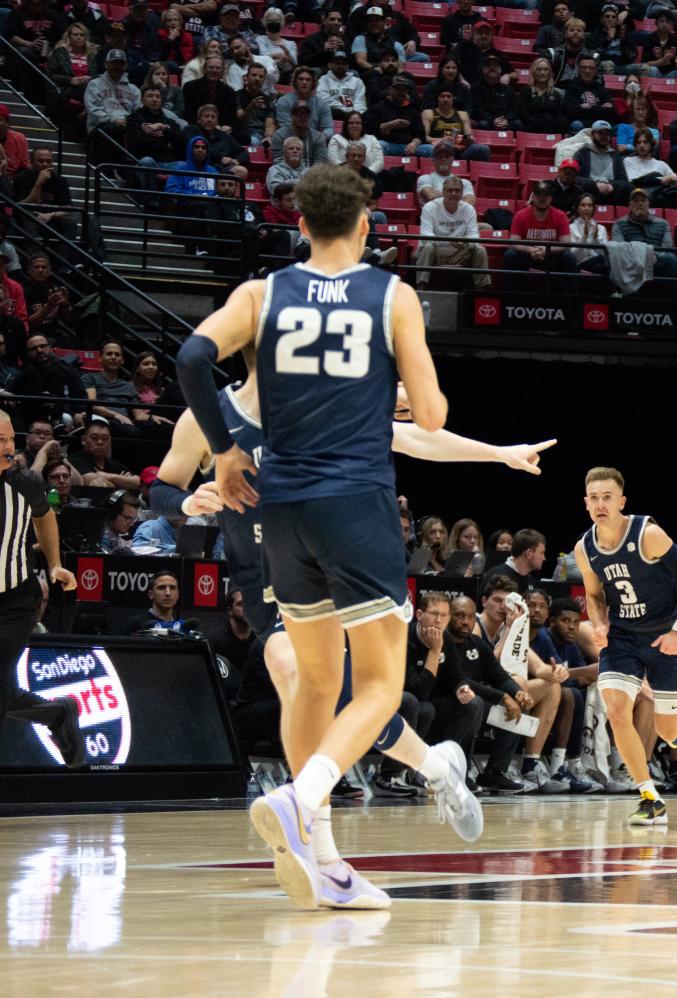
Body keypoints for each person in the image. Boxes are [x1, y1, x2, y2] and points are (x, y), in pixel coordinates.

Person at [174, 164, 452, 911]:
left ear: (299, 224)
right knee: (379, 684)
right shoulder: (392, 295)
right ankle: (302, 800)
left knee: (316, 681)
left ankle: (322, 858)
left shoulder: (262, 295)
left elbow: (193, 358)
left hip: (283, 508)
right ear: (365, 225)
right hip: (355, 504)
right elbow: (426, 416)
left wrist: (228, 447)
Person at [575, 467, 677, 827]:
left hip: (664, 636)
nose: (601, 504)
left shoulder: (647, 534)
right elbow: (594, 594)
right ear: (587, 504)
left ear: (621, 502)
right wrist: (599, 622)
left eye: (607, 497)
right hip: (624, 638)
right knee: (616, 709)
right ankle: (650, 797)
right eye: (594, 498)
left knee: (669, 731)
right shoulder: (584, 548)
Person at [0, 410, 83, 767]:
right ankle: (57, 714)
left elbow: (45, 517)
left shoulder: (28, 483)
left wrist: (54, 563)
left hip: (15, 602)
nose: (7, 447)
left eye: (9, 440)